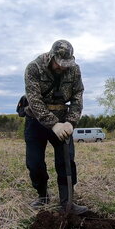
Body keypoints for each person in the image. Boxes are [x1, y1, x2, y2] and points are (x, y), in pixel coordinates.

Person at [23, 39, 88, 215]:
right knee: (34, 163)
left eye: (66, 64)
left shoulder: (74, 70)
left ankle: (67, 202)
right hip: (36, 120)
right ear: (51, 56)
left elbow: (77, 95)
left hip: (63, 119)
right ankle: (42, 196)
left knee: (66, 161)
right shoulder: (34, 68)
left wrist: (70, 122)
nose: (62, 68)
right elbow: (34, 100)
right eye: (59, 64)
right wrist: (53, 124)